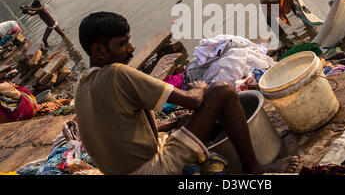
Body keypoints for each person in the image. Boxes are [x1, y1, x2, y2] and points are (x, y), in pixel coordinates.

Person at [74, 11, 299, 175]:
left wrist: (172, 124)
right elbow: (193, 101)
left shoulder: (82, 86)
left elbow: (117, 133)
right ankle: (255, 168)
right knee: (222, 91)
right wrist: (199, 89)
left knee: (193, 115)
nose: (132, 49)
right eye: (123, 44)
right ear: (99, 51)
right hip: (152, 170)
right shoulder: (116, 73)